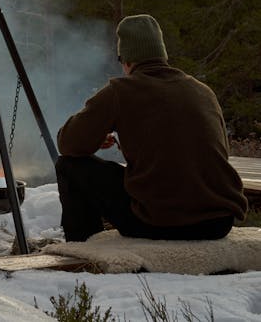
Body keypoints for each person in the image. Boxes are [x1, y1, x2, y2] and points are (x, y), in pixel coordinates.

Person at [55, 14, 248, 242]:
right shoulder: (202, 91)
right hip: (218, 222)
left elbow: (68, 143)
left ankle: (83, 250)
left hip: (160, 222)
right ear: (162, 55)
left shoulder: (121, 91)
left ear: (126, 59)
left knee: (69, 166)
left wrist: (93, 140)